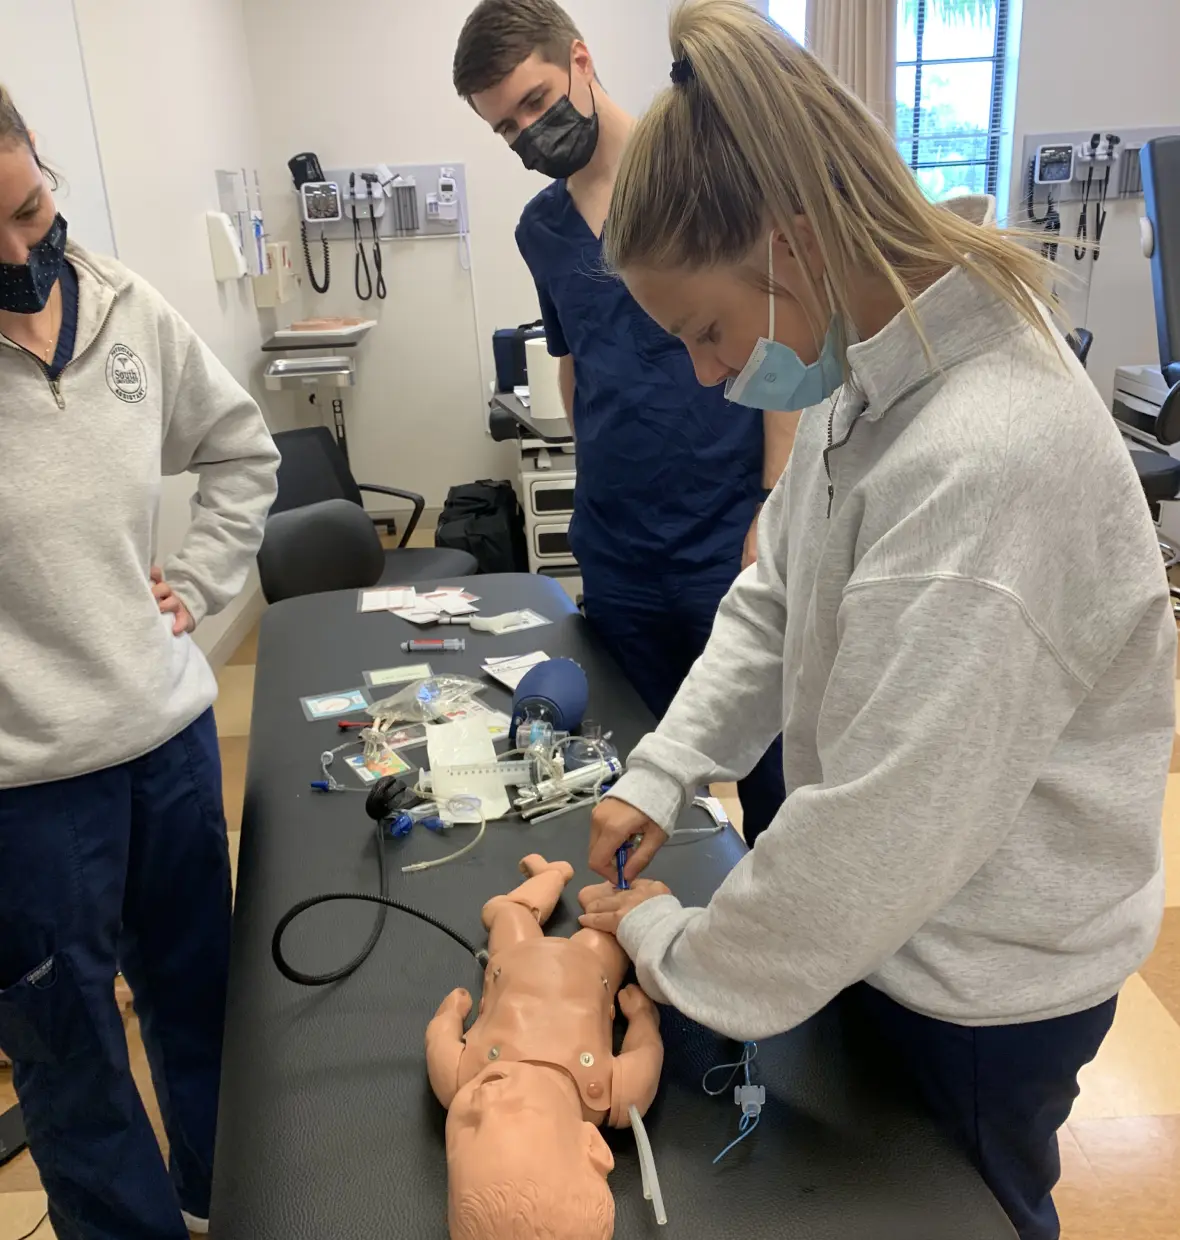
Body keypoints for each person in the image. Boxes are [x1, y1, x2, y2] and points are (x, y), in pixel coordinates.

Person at [578, 5, 1172, 1239]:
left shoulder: (986, 455)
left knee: (968, 1213)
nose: (707, 374)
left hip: (984, 985)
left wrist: (665, 944)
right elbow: (775, 596)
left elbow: (880, 824)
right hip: (902, 925)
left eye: (706, 331)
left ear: (791, 247)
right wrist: (665, 766)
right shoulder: (875, 374)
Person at [0, 87, 279, 1240]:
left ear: (43, 164)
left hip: (164, 742)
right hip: (25, 789)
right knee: (71, 1058)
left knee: (202, 998)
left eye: (30, 209)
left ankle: (228, 1199)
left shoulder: (123, 305)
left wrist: (201, 583)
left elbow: (241, 450)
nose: (20, 252)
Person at [452, 0, 788, 842]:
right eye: (506, 128)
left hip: (728, 534)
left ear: (580, 58)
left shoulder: (706, 177)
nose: (529, 134)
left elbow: (781, 346)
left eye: (536, 102)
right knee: (635, 771)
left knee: (772, 770)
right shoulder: (543, 231)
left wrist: (772, 505)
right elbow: (575, 364)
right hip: (619, 548)